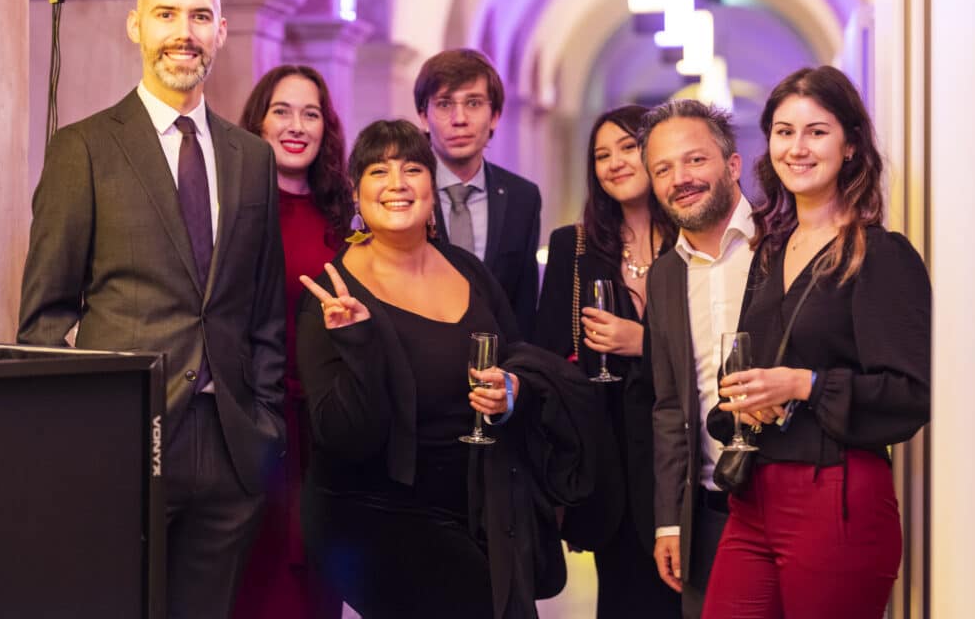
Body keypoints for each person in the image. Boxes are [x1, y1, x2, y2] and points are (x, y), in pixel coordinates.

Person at [17, 0, 286, 619]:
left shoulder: (252, 158)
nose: (183, 32)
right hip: (126, 442)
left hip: (230, 449)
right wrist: (87, 429)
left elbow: (264, 311)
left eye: (199, 17)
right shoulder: (83, 149)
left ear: (221, 32)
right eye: (166, 15)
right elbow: (44, 319)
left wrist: (265, 421)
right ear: (136, 26)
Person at [296, 120, 596, 618]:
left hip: (481, 504)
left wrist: (512, 391)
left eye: (412, 169)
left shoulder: (467, 269)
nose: (397, 183)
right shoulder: (333, 294)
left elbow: (517, 357)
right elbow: (344, 437)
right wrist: (358, 341)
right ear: (356, 191)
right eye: (378, 171)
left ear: (431, 187)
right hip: (377, 513)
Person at [701, 66, 931, 619]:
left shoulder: (879, 254)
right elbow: (747, 367)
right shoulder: (770, 252)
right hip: (753, 494)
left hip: (836, 495)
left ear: (850, 145)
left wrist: (805, 384)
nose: (797, 148)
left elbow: (910, 394)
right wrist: (744, 402)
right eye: (784, 132)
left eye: (816, 132)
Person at [534, 105, 679, 618]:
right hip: (608, 457)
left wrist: (645, 343)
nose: (614, 162)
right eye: (601, 155)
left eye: (628, 147)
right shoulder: (572, 247)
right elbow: (547, 360)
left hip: (681, 457)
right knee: (624, 600)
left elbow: (719, 346)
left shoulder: (692, 242)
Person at [232, 65, 350, 619]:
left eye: (311, 114)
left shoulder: (346, 218)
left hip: (324, 432)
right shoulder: (230, 209)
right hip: (250, 428)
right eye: (281, 111)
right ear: (258, 122)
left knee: (316, 592)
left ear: (327, 128)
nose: (296, 126)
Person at [636, 99, 754, 619]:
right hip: (706, 512)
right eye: (663, 169)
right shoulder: (665, 275)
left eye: (695, 160)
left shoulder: (784, 246)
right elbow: (668, 407)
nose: (680, 179)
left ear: (733, 164)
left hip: (787, 500)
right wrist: (670, 520)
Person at [414, 49, 541, 339]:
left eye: (473, 103)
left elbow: (523, 307)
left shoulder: (523, 198)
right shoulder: (404, 194)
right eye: (444, 104)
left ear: (494, 116)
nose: (459, 119)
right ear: (424, 117)